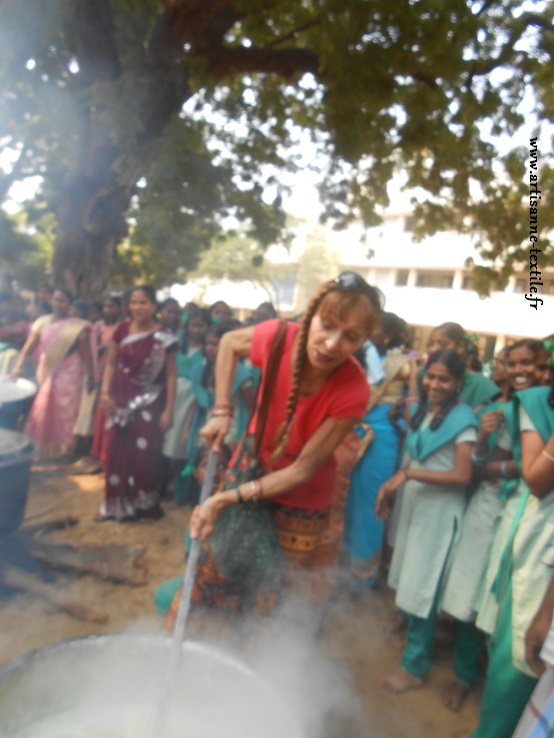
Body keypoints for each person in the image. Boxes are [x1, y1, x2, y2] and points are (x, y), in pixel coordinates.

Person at [188, 272, 382, 614]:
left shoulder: (354, 390)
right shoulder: (280, 337)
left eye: (350, 337)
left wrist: (225, 499)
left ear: (364, 340)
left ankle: (259, 662)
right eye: (328, 326)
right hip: (251, 468)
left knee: (278, 596)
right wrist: (221, 409)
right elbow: (231, 342)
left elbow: (302, 470)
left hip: (301, 500)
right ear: (312, 316)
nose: (333, 344)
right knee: (216, 569)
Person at [375, 349, 478, 693]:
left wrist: (407, 477)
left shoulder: (462, 418)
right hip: (418, 506)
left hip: (439, 513)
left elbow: (462, 474)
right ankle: (413, 647)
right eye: (430, 376)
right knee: (410, 577)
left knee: (423, 586)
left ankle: (415, 668)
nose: (435, 383)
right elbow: (418, 457)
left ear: (458, 383)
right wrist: (400, 481)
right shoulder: (426, 410)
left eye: (444, 379)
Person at [470, 339, 554, 738]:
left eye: (532, 363)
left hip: (534, 533)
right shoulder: (535, 404)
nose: (524, 371)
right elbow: (532, 477)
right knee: (514, 646)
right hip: (532, 532)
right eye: (514, 363)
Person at [343, 311, 413, 589]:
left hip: (382, 436)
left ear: (391, 336)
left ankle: (363, 576)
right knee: (348, 499)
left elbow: (412, 407)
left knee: (370, 503)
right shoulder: (366, 357)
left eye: (373, 329)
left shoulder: (404, 364)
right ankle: (342, 569)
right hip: (357, 431)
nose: (367, 332)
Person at [96, 285, 177, 522]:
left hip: (151, 401)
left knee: (145, 455)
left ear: (154, 306)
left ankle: (146, 507)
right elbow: (110, 364)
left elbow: (171, 374)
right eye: (134, 302)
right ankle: (113, 505)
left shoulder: (166, 337)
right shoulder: (121, 330)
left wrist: (169, 410)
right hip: (120, 399)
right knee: (115, 452)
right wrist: (105, 394)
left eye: (143, 302)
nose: (138, 307)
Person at [10, 289, 94, 459]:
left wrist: (89, 377)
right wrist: (18, 365)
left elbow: (86, 356)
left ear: (70, 304)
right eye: (56, 300)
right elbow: (29, 347)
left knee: (67, 410)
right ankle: (42, 449)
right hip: (47, 370)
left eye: (62, 301)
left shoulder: (78, 326)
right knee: (43, 409)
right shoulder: (41, 322)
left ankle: (64, 450)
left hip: (70, 373)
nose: (58, 304)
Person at [427, 322, 501, 409]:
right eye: (431, 344)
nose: (433, 349)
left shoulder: (480, 385)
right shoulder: (426, 377)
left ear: (460, 347)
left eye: (442, 344)